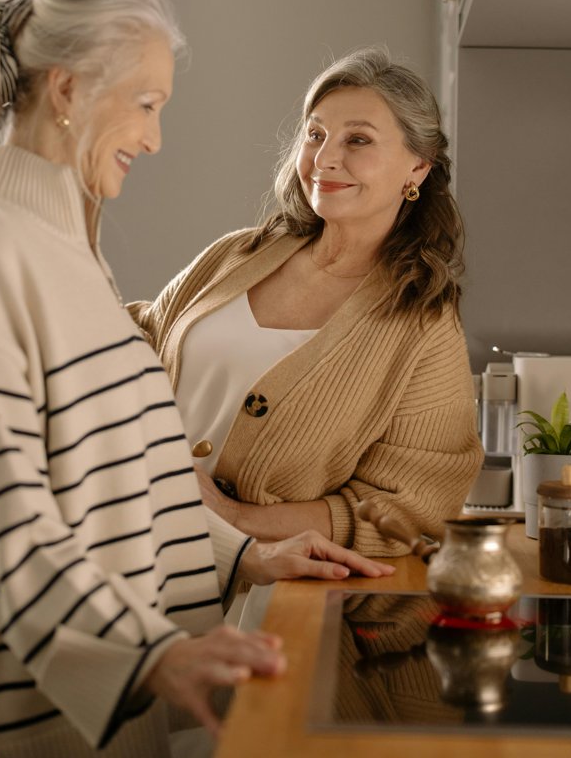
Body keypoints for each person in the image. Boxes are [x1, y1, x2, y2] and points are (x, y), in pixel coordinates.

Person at [0, 0, 393, 758]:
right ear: (66, 91)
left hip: (112, 716)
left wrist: (249, 555)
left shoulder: (73, 258)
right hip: (31, 726)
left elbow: (123, 481)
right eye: (146, 105)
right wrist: (153, 652)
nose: (155, 138)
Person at [131, 48, 483, 558]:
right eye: (315, 135)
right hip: (131, 556)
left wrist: (234, 517)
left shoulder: (422, 326)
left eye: (357, 140)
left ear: (418, 168)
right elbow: (140, 338)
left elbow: (410, 503)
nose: (324, 159)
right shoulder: (236, 255)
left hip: (263, 598)